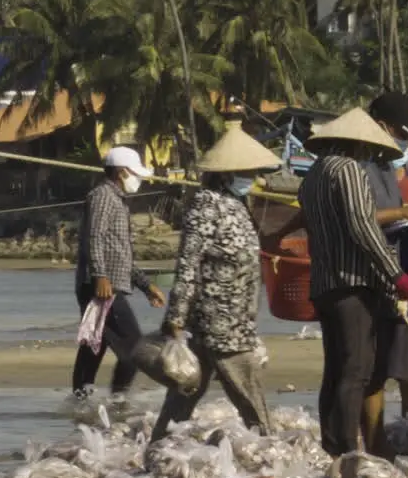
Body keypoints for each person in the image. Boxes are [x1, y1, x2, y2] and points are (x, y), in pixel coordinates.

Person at [291, 108, 408, 455]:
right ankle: (348, 449)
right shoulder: (348, 170)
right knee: (356, 370)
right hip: (352, 282)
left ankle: (332, 446)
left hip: (324, 283)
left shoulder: (314, 173)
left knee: (335, 369)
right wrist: (395, 273)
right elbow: (363, 227)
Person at [151, 125, 280, 442]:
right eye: (248, 171)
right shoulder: (205, 206)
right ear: (228, 173)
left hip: (236, 320)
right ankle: (268, 447)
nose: (254, 177)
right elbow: (189, 264)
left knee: (187, 391)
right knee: (248, 395)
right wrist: (176, 317)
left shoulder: (236, 205)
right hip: (219, 322)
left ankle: (159, 445)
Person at [72, 146, 166, 400]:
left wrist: (146, 286)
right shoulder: (103, 195)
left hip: (109, 281)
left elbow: (121, 254)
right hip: (103, 285)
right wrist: (100, 276)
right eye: (136, 174)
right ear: (123, 172)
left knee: (96, 344)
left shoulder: (118, 201)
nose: (140, 180)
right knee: (135, 348)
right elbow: (95, 237)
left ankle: (82, 399)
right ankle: (118, 400)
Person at [368, 92, 408, 416]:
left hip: (405, 280)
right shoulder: (364, 171)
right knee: (373, 368)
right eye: (402, 135)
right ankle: (372, 433)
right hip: (374, 280)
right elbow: (359, 218)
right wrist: (401, 213)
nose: (404, 143)